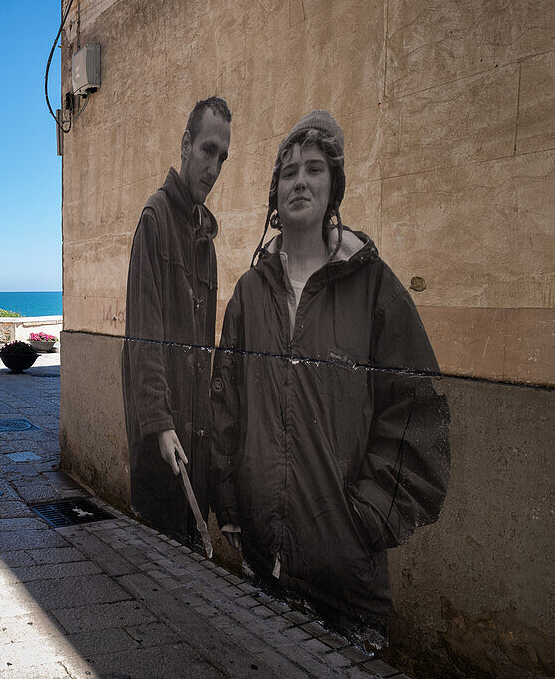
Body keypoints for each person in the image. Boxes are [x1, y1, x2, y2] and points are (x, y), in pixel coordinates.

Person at [209, 110, 450, 645]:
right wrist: (229, 505)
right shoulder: (250, 293)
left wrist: (365, 517)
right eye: (289, 171)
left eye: (314, 169)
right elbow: (226, 405)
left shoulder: (374, 289)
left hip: (347, 586)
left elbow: (415, 413)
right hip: (261, 564)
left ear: (333, 186)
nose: (300, 181)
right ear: (275, 193)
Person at [121, 96, 231, 545]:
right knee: (158, 583)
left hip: (196, 445)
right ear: (186, 145)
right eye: (207, 150)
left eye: (222, 157)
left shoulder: (207, 239)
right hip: (162, 444)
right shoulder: (155, 219)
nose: (214, 167)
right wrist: (161, 426)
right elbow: (144, 336)